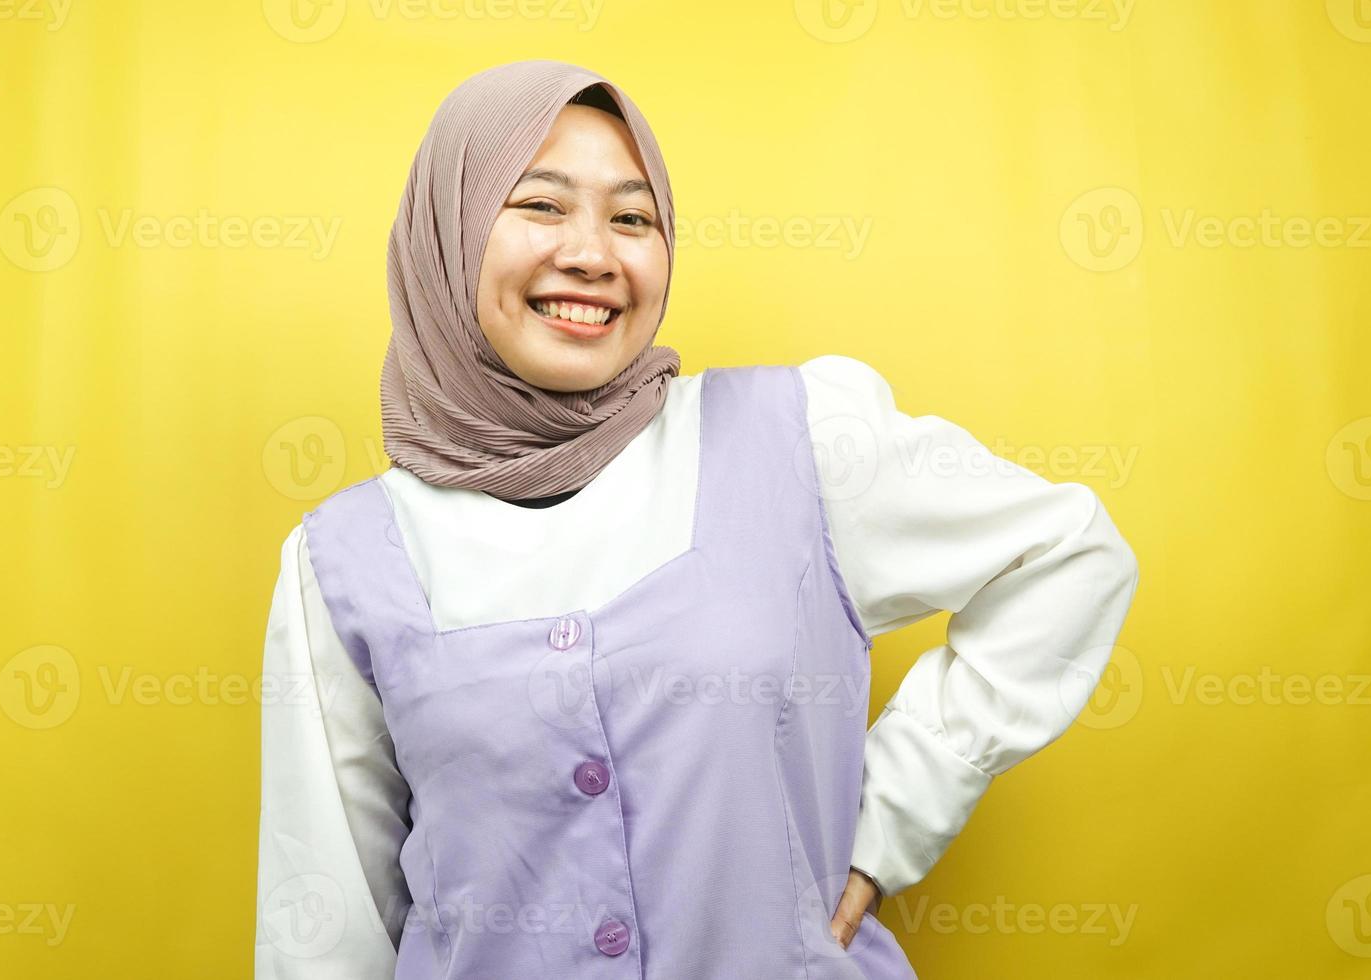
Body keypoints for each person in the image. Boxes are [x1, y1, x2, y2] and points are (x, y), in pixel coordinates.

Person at [254, 59, 1139, 979]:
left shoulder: (798, 442)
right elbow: (323, 925)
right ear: (447, 230)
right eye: (541, 205)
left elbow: (1068, 551)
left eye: (633, 218)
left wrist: (893, 820)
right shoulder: (345, 562)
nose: (594, 254)